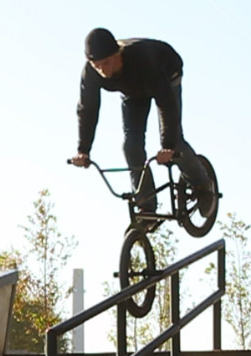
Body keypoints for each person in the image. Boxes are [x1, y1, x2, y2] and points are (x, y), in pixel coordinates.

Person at [70, 28, 215, 219]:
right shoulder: (90, 73)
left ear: (117, 54)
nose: (102, 70)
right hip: (132, 91)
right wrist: (83, 150)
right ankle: (146, 207)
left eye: (106, 63)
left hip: (166, 76)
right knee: (131, 146)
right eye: (97, 66)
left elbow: (166, 103)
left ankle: (203, 186)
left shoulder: (142, 59)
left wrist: (168, 145)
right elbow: (87, 109)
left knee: (176, 144)